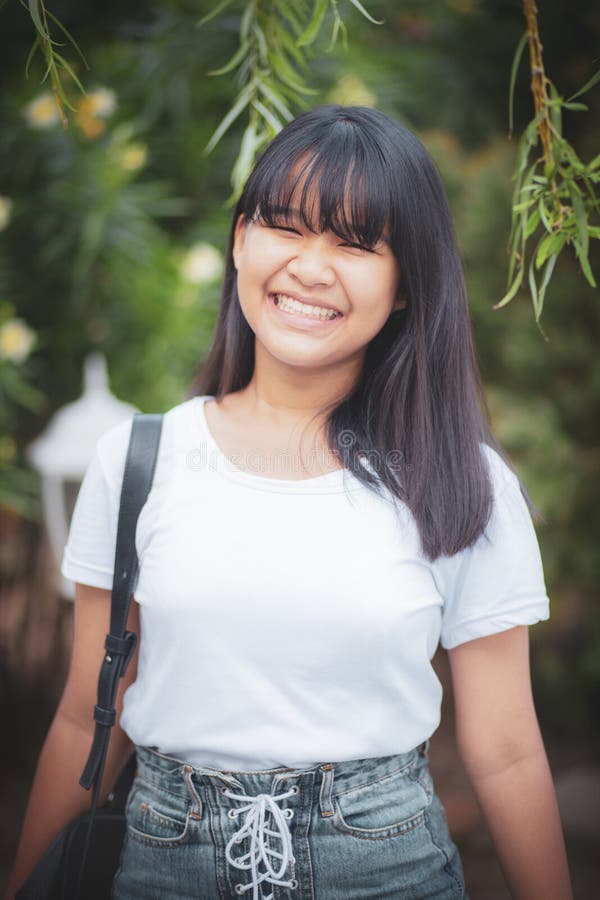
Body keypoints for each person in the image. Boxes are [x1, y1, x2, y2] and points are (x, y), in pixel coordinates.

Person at [7, 105, 572, 900]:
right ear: (241, 240)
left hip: (384, 870)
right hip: (164, 865)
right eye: (285, 228)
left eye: (354, 243)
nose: (311, 267)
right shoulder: (138, 462)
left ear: (407, 284)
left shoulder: (458, 480)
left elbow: (507, 749)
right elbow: (83, 717)